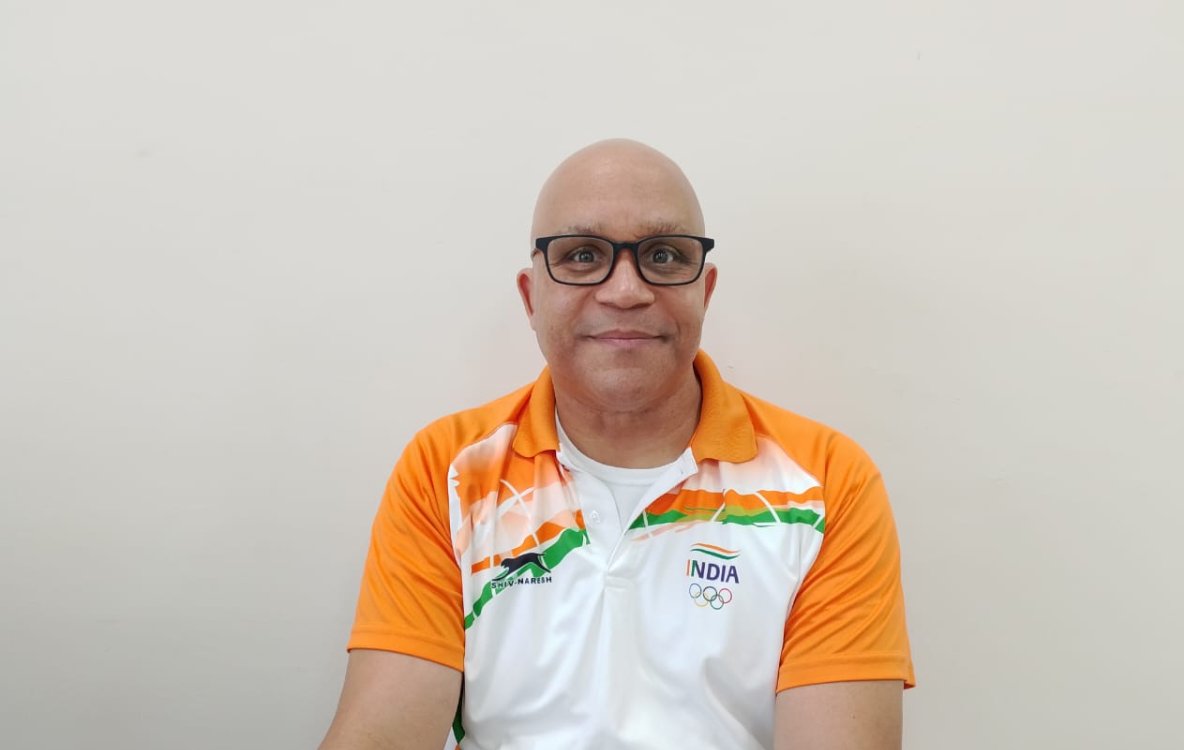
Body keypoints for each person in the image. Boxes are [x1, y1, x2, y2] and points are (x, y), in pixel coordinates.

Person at [319, 139, 915, 750]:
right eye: (582, 255)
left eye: (663, 255)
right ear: (531, 297)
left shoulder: (827, 483)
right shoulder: (448, 470)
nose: (626, 290)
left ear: (705, 290)